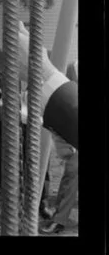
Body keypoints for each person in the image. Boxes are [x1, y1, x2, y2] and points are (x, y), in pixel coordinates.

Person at [40, 59, 78, 235]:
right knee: (72, 169)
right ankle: (59, 213)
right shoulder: (72, 67)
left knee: (73, 170)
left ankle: (60, 218)